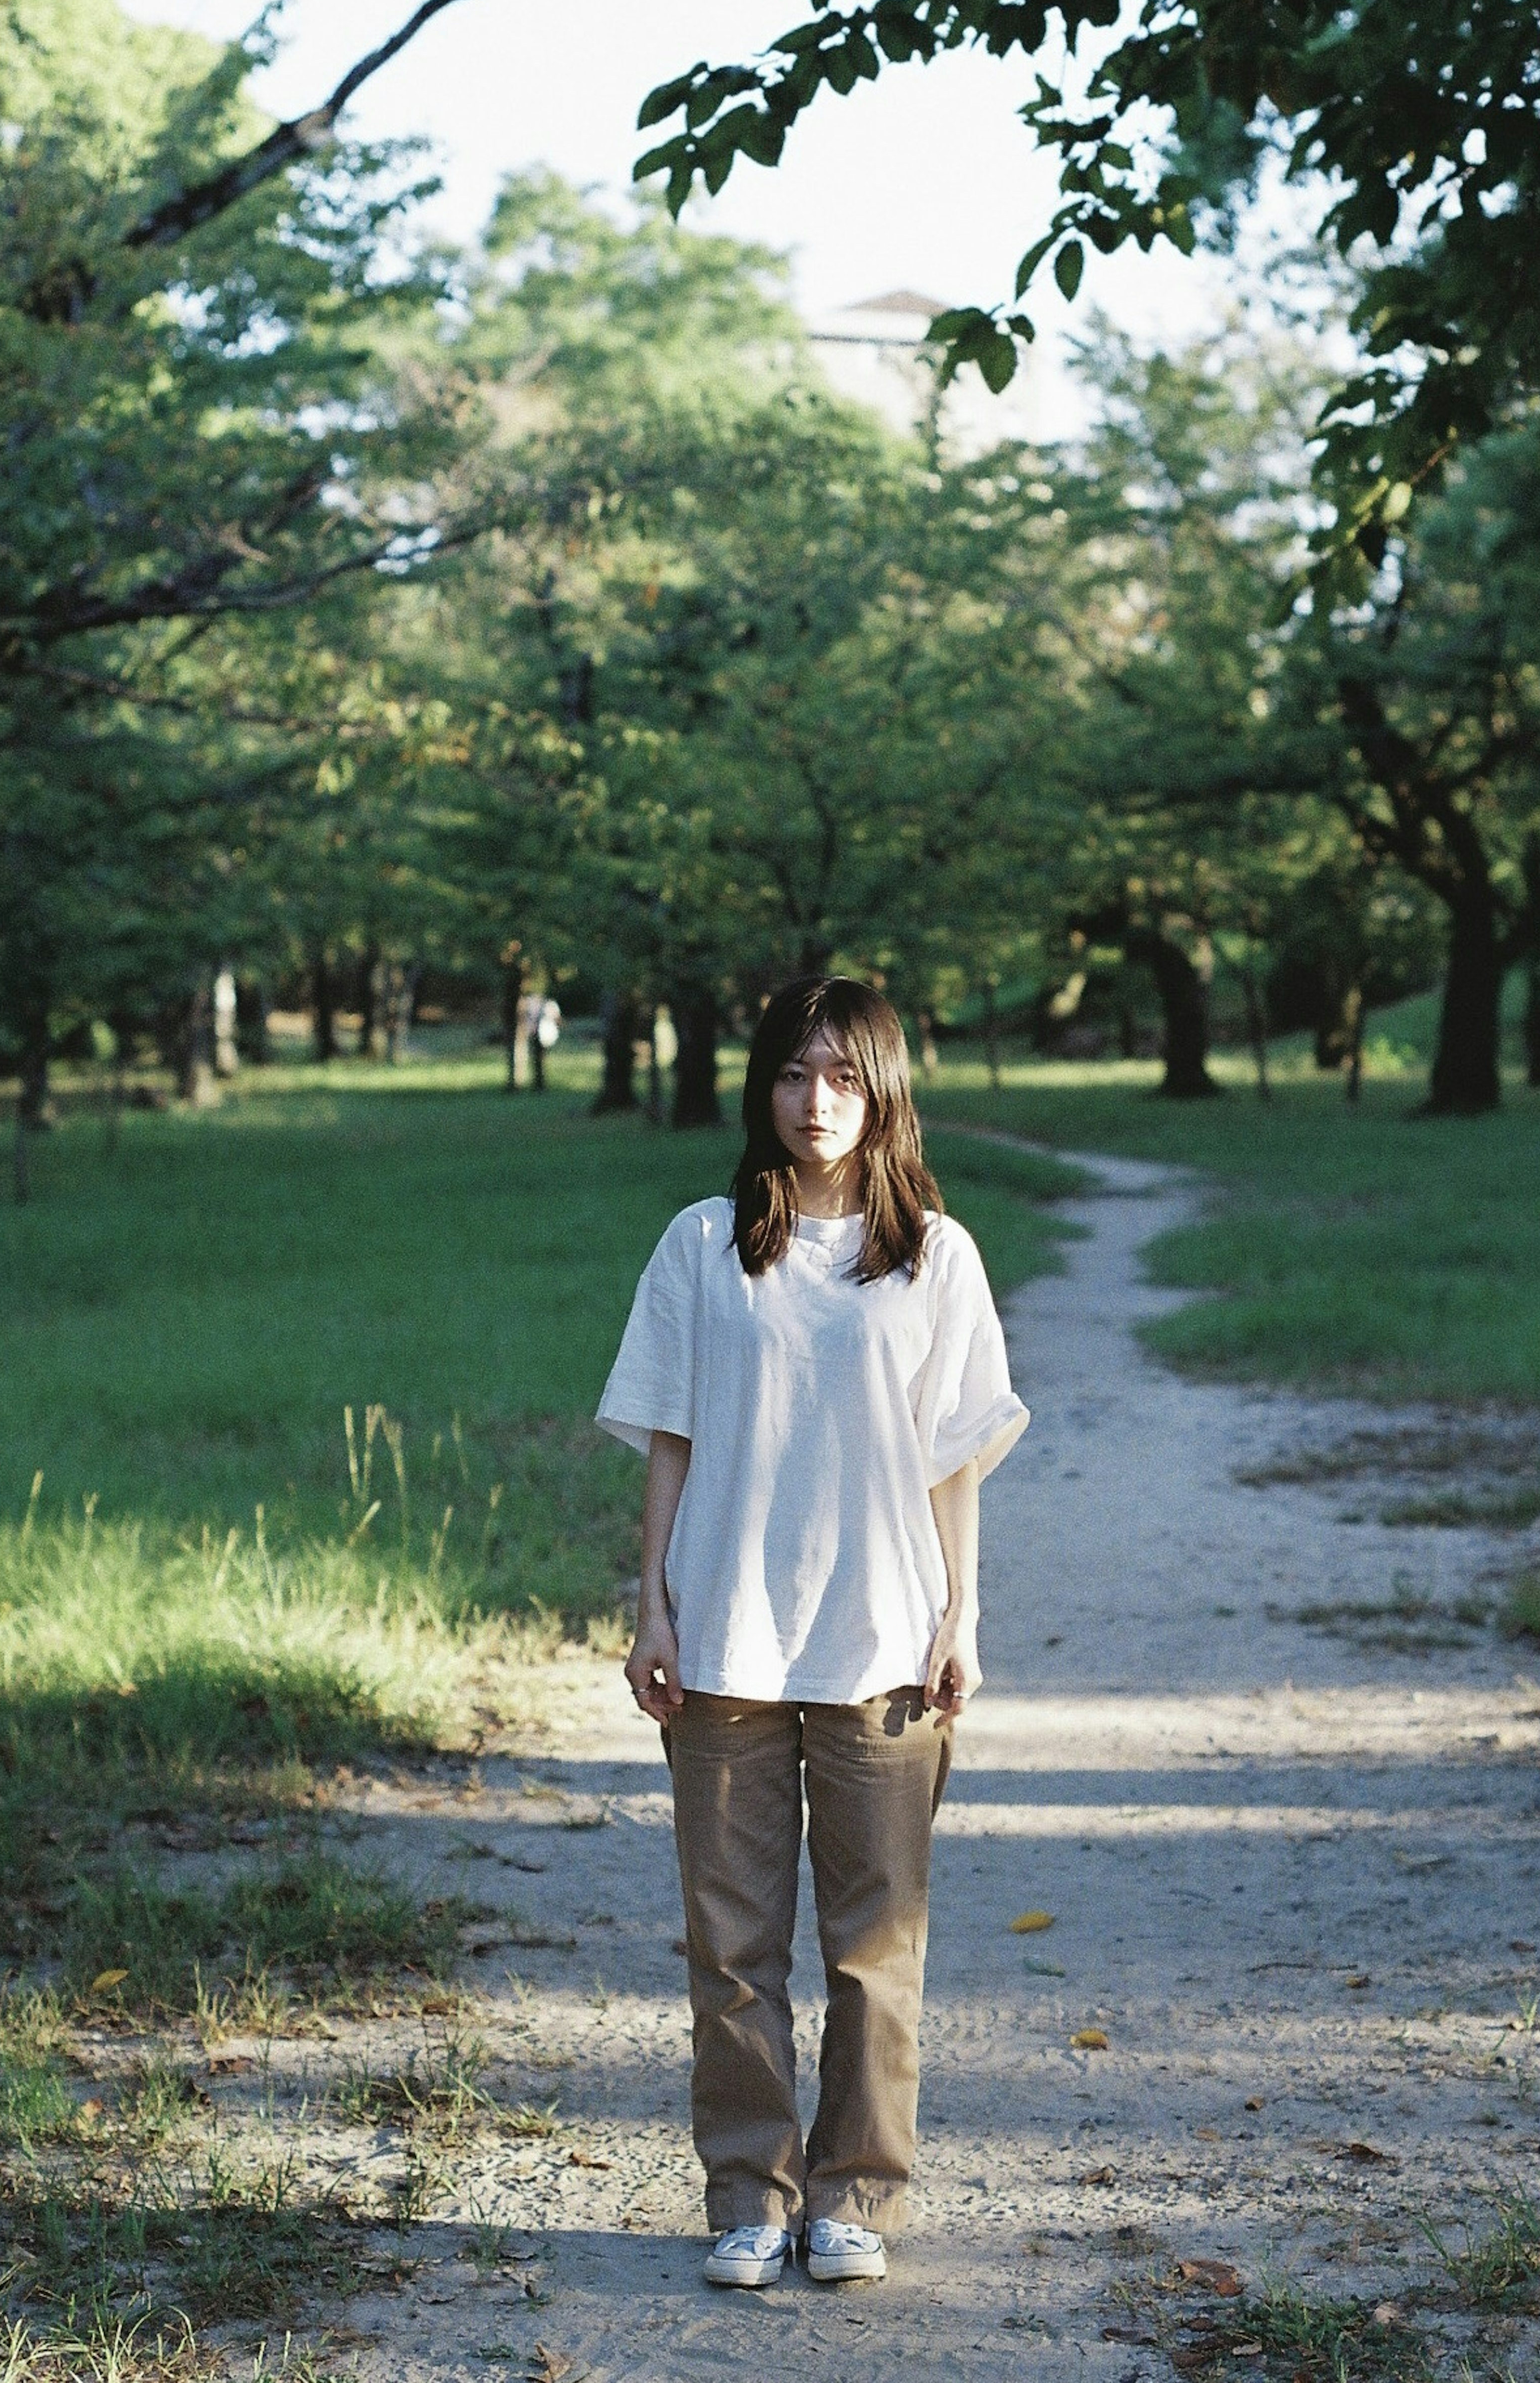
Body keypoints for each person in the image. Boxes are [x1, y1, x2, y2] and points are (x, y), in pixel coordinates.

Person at [595, 975, 1029, 2290]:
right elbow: (669, 1434)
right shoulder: (704, 1242)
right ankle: (747, 2192)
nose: (816, 1101)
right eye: (793, 1074)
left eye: (843, 1076)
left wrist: (964, 1613)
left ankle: (853, 2195)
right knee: (729, 1942)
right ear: (762, 1089)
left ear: (884, 1089)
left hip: (884, 1643)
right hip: (726, 1637)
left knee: (873, 1945)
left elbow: (957, 1455)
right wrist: (652, 1596)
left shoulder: (935, 1256)